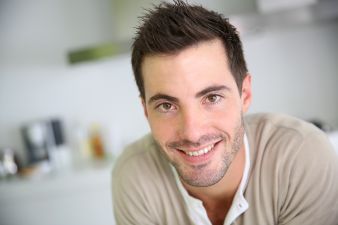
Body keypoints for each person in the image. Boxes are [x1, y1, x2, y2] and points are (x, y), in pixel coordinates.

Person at [112, 1, 338, 224]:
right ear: (146, 111)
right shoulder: (134, 177)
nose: (192, 133)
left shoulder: (302, 157)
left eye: (212, 98)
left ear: (245, 94)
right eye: (166, 105)